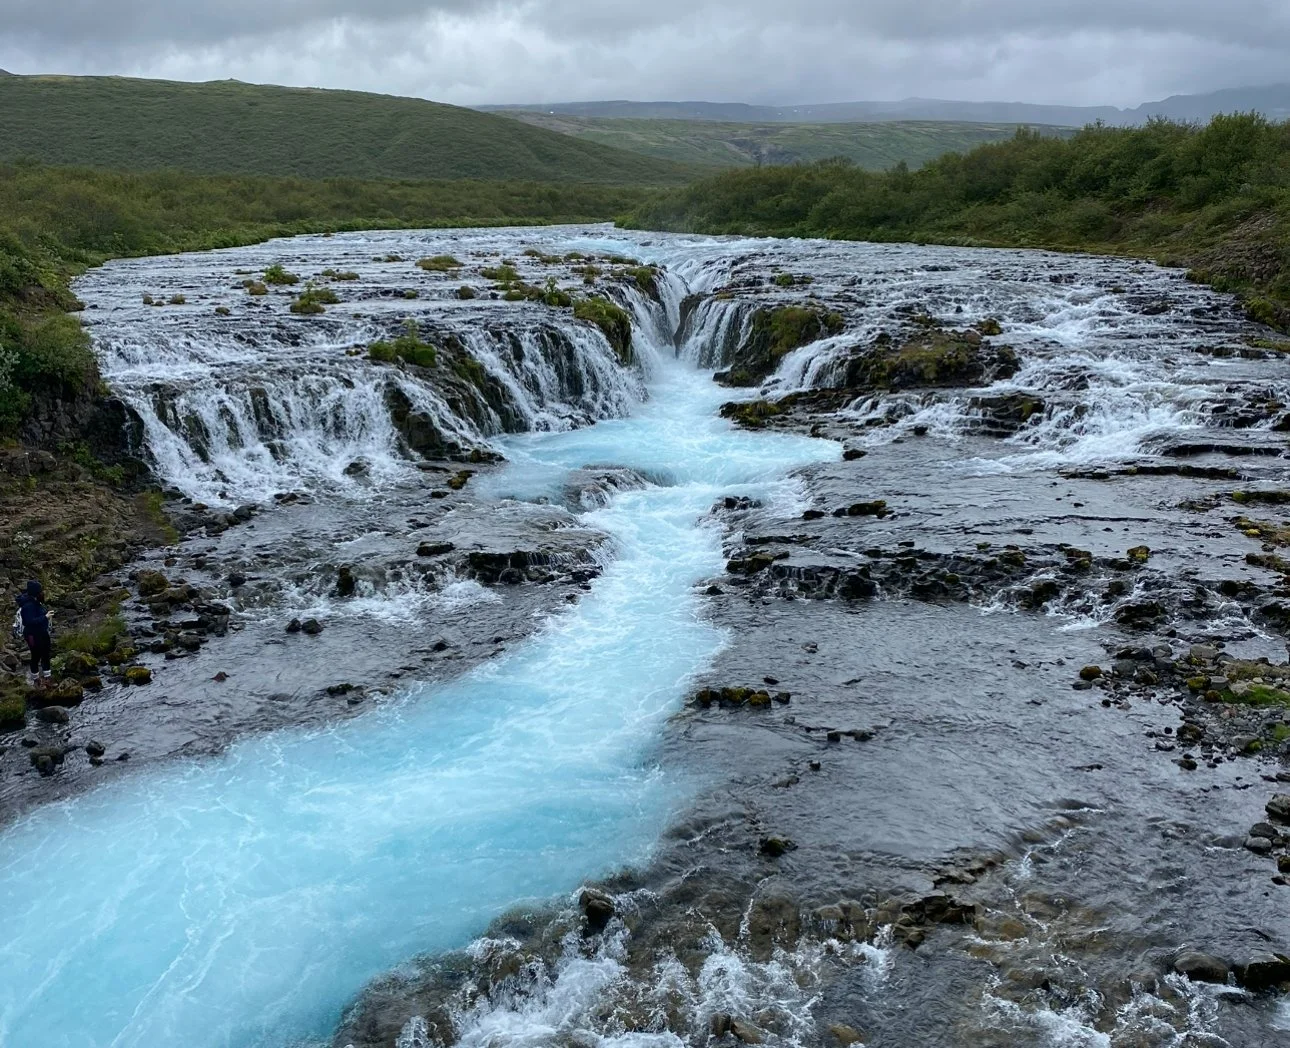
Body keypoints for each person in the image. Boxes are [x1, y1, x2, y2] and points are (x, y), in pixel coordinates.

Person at [15, 580, 52, 688]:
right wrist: (45, 617)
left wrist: (46, 616)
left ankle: (47, 678)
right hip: (32, 635)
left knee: (46, 654)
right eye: (40, 591)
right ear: (36, 593)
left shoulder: (35, 601)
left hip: (42, 632)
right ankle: (36, 680)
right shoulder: (27, 606)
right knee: (36, 656)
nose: (43, 593)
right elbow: (28, 622)